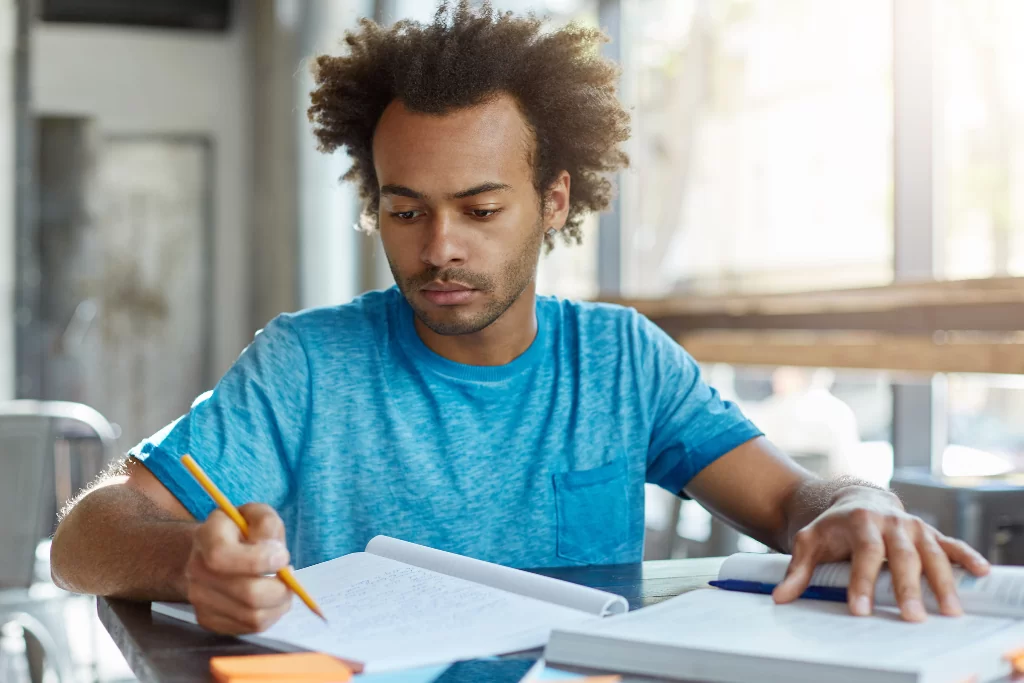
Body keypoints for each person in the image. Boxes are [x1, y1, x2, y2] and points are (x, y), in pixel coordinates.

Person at [50, 1, 989, 636]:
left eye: (482, 209)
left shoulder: (622, 360)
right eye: (406, 209)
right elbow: (86, 534)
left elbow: (789, 503)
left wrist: (859, 501)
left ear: (554, 199)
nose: (439, 247)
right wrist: (190, 565)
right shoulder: (306, 362)